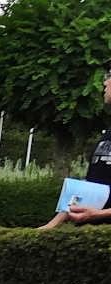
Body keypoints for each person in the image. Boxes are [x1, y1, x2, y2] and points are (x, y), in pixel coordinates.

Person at [41, 69, 111, 228]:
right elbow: (90, 186)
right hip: (90, 237)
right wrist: (49, 227)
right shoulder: (108, 134)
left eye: (110, 76)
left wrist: (99, 214)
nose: (105, 82)